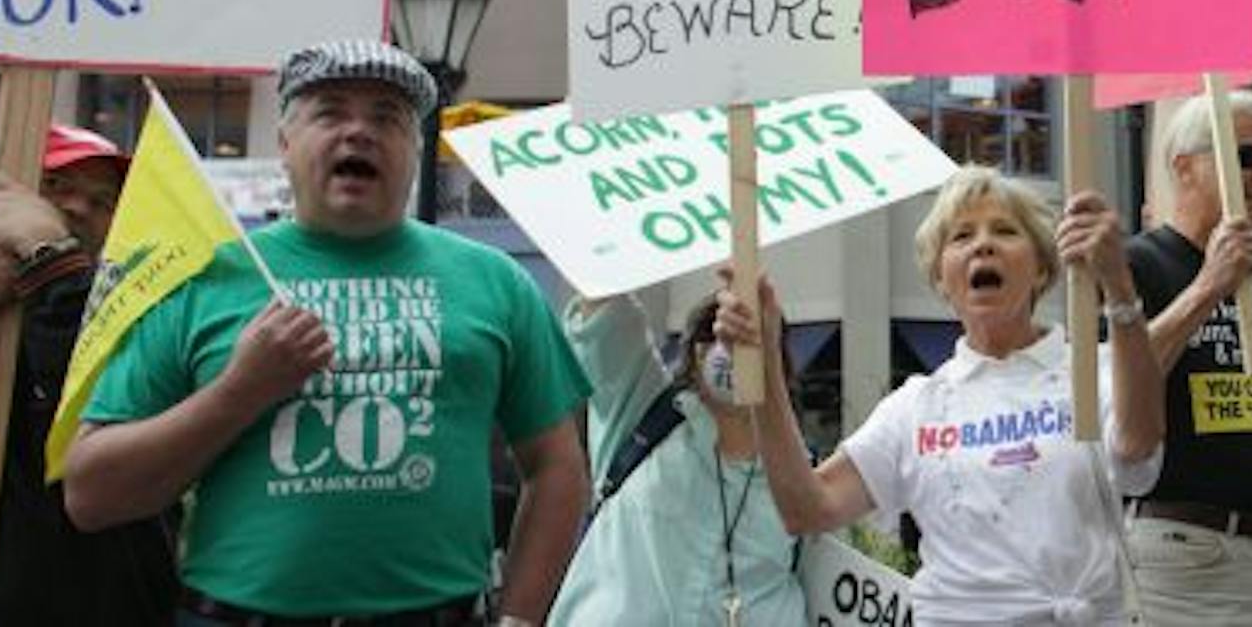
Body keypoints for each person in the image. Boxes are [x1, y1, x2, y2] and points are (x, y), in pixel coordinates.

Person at [63, 39, 592, 626]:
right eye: (331, 112)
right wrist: (240, 391)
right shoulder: (201, 279)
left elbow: (558, 467)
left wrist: (520, 619)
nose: (358, 132)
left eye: (387, 117)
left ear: (414, 149)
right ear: (286, 145)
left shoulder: (496, 281)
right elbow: (92, 495)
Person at [716, 166, 1162, 626]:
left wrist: (1119, 290)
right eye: (961, 236)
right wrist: (766, 363)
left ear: (1043, 268)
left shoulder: (1095, 370)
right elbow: (809, 508)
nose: (982, 244)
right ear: (941, 280)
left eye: (1005, 231)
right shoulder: (915, 406)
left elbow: (1137, 447)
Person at [0, 125, 177, 624]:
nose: (76, 209)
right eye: (55, 188)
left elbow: (98, 410)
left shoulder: (147, 314)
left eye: (102, 201)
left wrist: (52, 261)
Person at [1123, 88, 1252, 626]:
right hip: (1191, 558)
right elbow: (1112, 390)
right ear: (1184, 168)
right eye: (1246, 157)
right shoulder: (1136, 265)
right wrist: (1208, 286)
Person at [551, 292, 807, 626]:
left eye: (748, 338)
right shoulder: (642, 411)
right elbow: (607, 314)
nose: (728, 350)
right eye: (712, 335)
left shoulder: (801, 478)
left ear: (777, 360)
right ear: (694, 352)